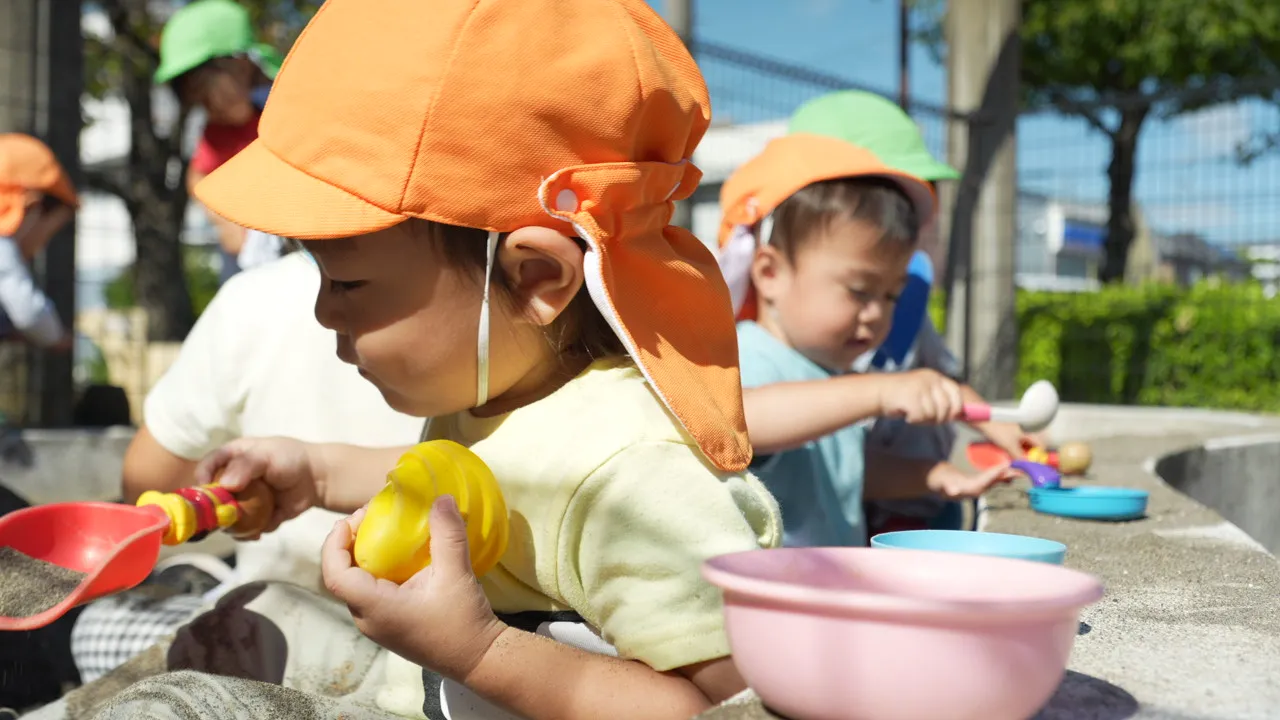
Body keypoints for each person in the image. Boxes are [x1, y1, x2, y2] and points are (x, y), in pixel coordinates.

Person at [85, 1, 781, 719]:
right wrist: (313, 470)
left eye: (347, 282)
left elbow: (729, 706)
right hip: (423, 686)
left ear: (535, 279)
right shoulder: (508, 392)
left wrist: (479, 651)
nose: (324, 310)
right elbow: (478, 489)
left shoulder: (631, 481)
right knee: (250, 613)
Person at [65, 247, 424, 687]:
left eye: (345, 287)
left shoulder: (255, 297)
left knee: (100, 628)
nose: (325, 314)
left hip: (298, 625)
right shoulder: (475, 305)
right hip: (426, 629)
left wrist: (198, 505)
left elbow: (146, 481)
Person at [716, 132, 1016, 548]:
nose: (878, 313)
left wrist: (933, 475)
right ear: (770, 275)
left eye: (891, 294)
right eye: (859, 290)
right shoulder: (748, 354)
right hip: (771, 600)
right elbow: (738, 421)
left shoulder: (827, 372)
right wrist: (878, 390)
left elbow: (844, 470)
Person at [787, 90, 1039, 534]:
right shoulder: (783, 349)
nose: (911, 227)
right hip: (864, 516)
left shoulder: (902, 303)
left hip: (925, 501)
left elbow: (947, 388)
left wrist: (1018, 440)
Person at [153, 0, 288, 281]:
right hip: (253, 257)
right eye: (196, 101)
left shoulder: (287, 104)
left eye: (207, 95)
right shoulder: (218, 132)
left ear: (238, 64)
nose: (207, 110)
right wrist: (224, 223)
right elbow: (197, 176)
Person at [0, 134, 77, 352]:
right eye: (48, 234)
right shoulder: (2, 247)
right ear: (31, 207)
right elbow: (30, 313)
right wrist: (57, 337)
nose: (41, 247)